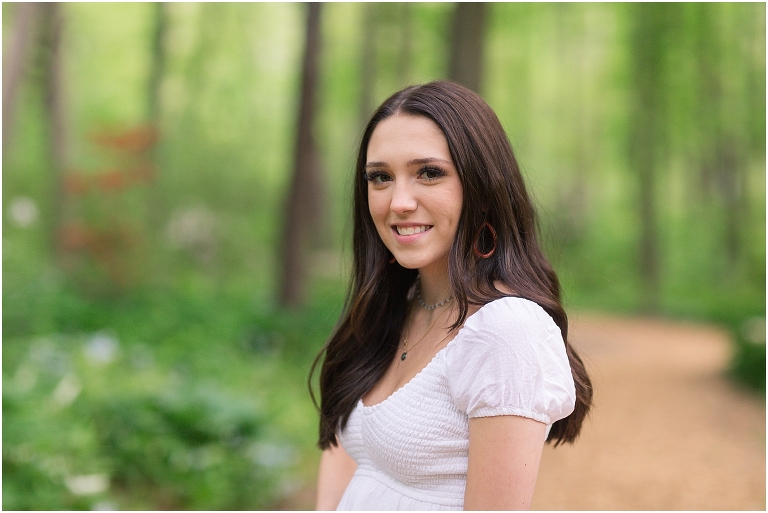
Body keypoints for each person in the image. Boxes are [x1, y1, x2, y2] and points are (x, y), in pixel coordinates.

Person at [309, 81, 592, 510]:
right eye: (380, 177)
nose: (399, 202)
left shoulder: (506, 330)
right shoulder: (388, 314)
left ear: (482, 187)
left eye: (429, 172)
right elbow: (344, 463)